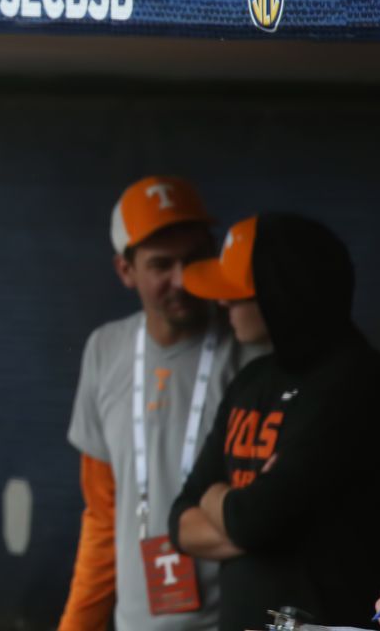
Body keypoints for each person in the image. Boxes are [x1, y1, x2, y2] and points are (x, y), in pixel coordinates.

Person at [169, 214, 380, 631]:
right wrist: (238, 509)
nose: (223, 302)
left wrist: (228, 505)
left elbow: (253, 519)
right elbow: (179, 521)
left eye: (239, 292)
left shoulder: (359, 381)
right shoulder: (252, 378)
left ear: (283, 294)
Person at [60, 176, 260, 631]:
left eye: (194, 260)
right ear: (125, 271)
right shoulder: (105, 349)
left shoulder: (251, 351)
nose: (181, 279)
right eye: (161, 264)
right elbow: (102, 515)